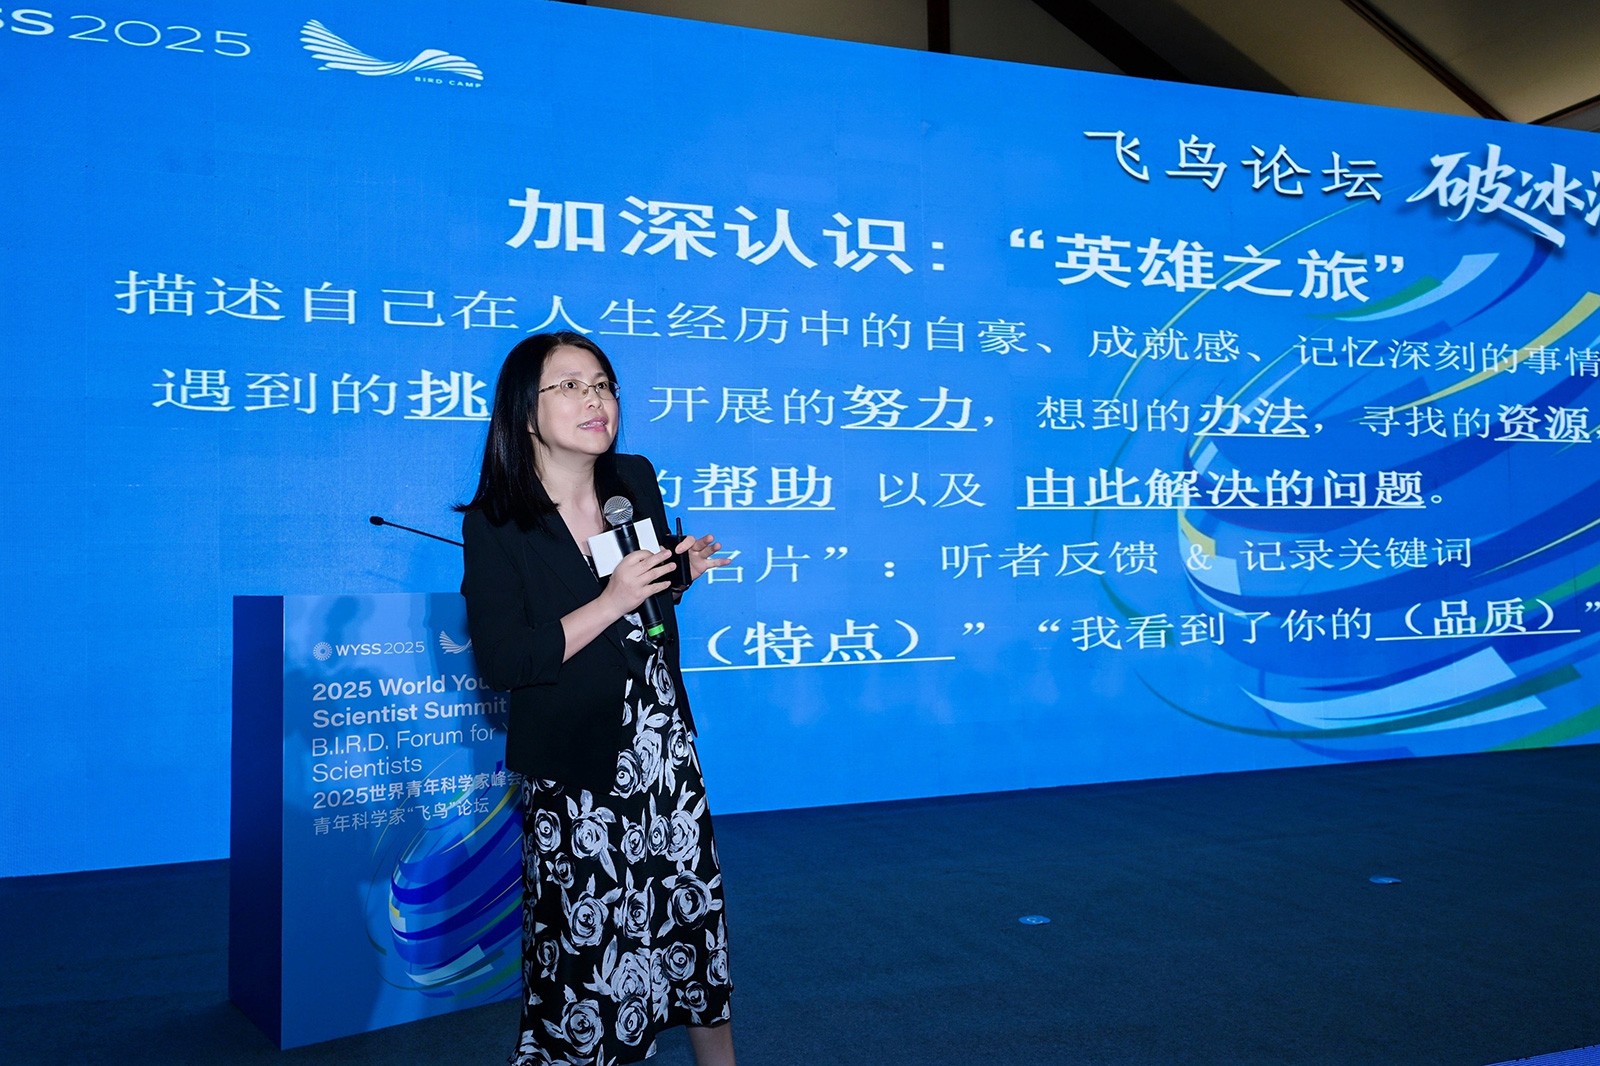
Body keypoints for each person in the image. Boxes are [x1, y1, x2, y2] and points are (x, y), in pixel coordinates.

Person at [458, 332, 736, 1066]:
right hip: (578, 770)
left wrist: (675, 576)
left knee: (692, 928)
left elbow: (637, 605)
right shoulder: (497, 522)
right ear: (525, 411)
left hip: (663, 751)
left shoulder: (632, 481)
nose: (596, 399)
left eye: (604, 384)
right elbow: (506, 660)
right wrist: (614, 599)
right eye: (572, 385)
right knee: (590, 955)